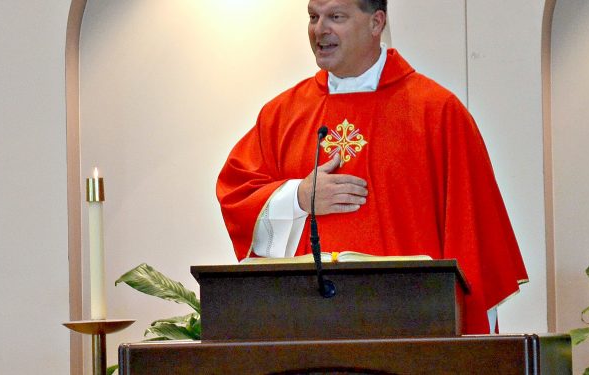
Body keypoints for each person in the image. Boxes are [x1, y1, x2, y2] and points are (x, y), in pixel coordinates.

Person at [216, 0, 528, 334]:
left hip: (411, 330)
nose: (320, 30)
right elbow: (236, 193)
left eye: (336, 17)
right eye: (313, 17)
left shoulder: (437, 113)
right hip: (307, 330)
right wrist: (297, 197)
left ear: (376, 22)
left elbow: (473, 235)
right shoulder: (282, 115)